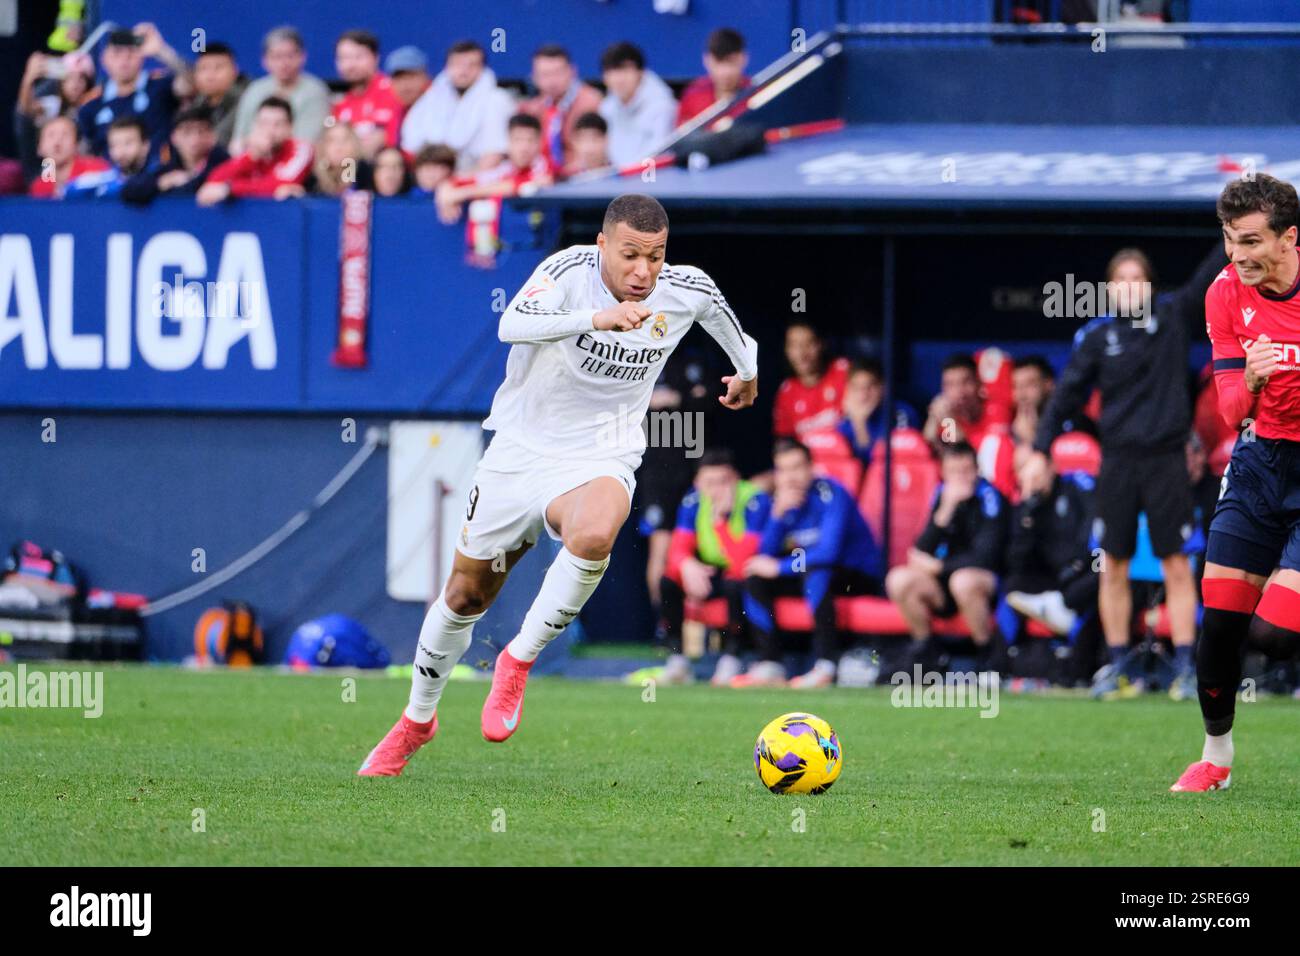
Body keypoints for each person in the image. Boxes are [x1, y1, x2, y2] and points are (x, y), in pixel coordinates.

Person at [357, 193, 759, 776]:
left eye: (655, 256)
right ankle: (417, 721)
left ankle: (517, 662)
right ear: (603, 246)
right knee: (466, 596)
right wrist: (596, 318)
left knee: (596, 533)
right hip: (520, 451)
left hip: (603, 451)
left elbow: (727, 322)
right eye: (630, 256)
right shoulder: (568, 271)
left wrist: (746, 373)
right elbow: (510, 323)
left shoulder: (685, 287)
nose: (644, 271)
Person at [1022, 243, 1226, 701]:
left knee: (1177, 562)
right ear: (1110, 290)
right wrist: (1040, 450)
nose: (1130, 288)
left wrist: (1231, 230)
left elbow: (1207, 275)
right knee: (1112, 562)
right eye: (1122, 280)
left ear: (1150, 286)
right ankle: (1118, 665)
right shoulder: (1097, 337)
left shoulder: (1173, 318)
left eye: (1138, 279)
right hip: (1117, 462)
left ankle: (1185, 666)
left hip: (1167, 460)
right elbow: (1066, 397)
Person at [1171, 173, 1300, 792]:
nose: (1238, 255)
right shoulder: (1225, 294)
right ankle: (1215, 758)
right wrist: (1249, 378)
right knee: (1221, 617)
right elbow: (1228, 411)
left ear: (1289, 238)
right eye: (1229, 239)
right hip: (1258, 463)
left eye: (1250, 241)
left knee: (1275, 634)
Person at [733, 439, 883, 689]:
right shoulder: (780, 502)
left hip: (855, 575)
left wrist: (778, 568)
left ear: (811, 467)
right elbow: (764, 555)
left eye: (796, 467)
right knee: (754, 576)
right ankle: (771, 663)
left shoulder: (831, 493)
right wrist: (777, 517)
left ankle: (826, 663)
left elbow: (828, 553)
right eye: (783, 470)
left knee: (816, 572)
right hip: (806, 572)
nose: (790, 477)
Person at [885, 441, 1009, 670]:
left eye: (966, 470)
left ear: (977, 470)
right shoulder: (942, 496)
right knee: (899, 579)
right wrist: (946, 509)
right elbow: (920, 550)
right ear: (943, 472)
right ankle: (928, 653)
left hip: (983, 584)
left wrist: (939, 568)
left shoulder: (992, 499)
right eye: (954, 471)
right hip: (944, 584)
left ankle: (988, 657)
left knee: (962, 581)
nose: (960, 478)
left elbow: (987, 556)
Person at [658, 449, 770, 686]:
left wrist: (721, 521)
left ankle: (732, 657)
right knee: (668, 580)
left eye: (724, 482)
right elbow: (677, 550)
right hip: (709, 570)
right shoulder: (693, 501)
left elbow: (742, 561)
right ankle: (677, 658)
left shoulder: (755, 500)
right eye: (709, 483)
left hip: (746, 572)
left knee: (735, 583)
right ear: (698, 483)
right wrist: (688, 565)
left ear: (736, 479)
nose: (717, 490)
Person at [1004, 450, 1099, 642]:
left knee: (1101, 570)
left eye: (1036, 474)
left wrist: (1077, 566)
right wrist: (1027, 515)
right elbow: (1016, 559)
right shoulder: (1026, 505)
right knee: (1012, 584)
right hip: (1053, 577)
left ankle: (1061, 608)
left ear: (1051, 467)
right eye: (1023, 473)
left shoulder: (1077, 484)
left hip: (1083, 568)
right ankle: (1005, 659)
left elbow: (1095, 527)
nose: (1032, 480)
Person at [77, 24, 193, 162]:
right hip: (111, 179)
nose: (125, 59)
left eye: (131, 52)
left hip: (161, 175)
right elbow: (86, 152)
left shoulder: (161, 86)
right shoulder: (91, 104)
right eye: (117, 53)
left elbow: (193, 83)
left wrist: (161, 50)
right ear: (104, 59)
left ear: (142, 57)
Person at [400, 39, 515, 171]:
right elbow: (411, 146)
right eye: (458, 64)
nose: (464, 71)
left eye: (471, 65)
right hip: (432, 175)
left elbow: (495, 154)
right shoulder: (429, 100)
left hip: (476, 177)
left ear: (482, 69)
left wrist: (462, 184)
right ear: (447, 67)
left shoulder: (497, 101)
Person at [922, 352, 1016, 499]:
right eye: (950, 385)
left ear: (978, 383)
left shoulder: (998, 409)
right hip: (962, 487)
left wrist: (949, 421)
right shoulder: (946, 418)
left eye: (965, 382)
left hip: (995, 485)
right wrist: (933, 420)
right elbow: (953, 454)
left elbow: (976, 456)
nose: (959, 392)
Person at [230, 26, 331, 149]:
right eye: (277, 56)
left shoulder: (315, 91)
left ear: (303, 56)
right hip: (254, 157)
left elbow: (307, 141)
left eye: (290, 56)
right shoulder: (254, 90)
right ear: (264, 60)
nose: (284, 63)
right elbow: (238, 140)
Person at [197, 97, 312, 204]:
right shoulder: (252, 154)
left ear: (290, 128)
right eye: (264, 123)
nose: (270, 130)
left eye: (278, 124)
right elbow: (213, 182)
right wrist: (252, 157)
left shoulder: (301, 149)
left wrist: (229, 189)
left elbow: (279, 185)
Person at [518, 44, 603, 173]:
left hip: (583, 178)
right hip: (541, 180)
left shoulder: (593, 103)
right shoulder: (530, 109)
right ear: (534, 78)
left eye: (557, 73)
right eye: (545, 74)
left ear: (573, 71)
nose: (552, 81)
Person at [16, 50, 98, 181]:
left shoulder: (95, 106)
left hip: (83, 166)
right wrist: (29, 78)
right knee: (47, 181)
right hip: (51, 166)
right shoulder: (53, 104)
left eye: (81, 79)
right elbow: (27, 109)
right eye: (69, 79)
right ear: (61, 83)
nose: (75, 85)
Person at [121, 105, 228, 203]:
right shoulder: (170, 166)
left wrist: (187, 181)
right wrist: (161, 183)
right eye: (187, 132)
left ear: (213, 135)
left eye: (202, 130)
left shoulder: (224, 162)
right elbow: (129, 190)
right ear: (174, 137)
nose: (195, 138)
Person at [598, 42, 678, 169]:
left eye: (625, 70)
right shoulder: (606, 108)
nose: (619, 79)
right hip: (615, 180)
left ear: (640, 72)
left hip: (653, 178)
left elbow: (659, 154)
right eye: (612, 71)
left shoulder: (663, 106)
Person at [330, 30, 403, 159]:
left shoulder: (391, 90)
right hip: (352, 169)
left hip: (386, 168)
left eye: (358, 57)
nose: (350, 65)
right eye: (343, 58)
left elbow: (377, 141)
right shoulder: (340, 103)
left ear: (376, 58)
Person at [772, 321, 850, 440]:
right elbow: (785, 442)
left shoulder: (843, 373)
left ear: (821, 344)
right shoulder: (786, 392)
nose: (801, 354)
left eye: (808, 344)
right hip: (809, 458)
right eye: (793, 345)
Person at [837, 357, 919, 465]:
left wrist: (860, 425)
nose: (863, 395)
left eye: (870, 387)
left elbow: (883, 462)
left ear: (883, 387)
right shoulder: (844, 422)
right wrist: (857, 421)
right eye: (856, 388)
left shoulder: (900, 413)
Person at [676, 28, 751, 127]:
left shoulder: (758, 94)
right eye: (718, 62)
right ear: (707, 61)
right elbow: (682, 138)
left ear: (744, 59)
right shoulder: (693, 95)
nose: (725, 72)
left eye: (732, 62)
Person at [64, 115, 152, 199]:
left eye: (128, 143)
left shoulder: (158, 174)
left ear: (145, 146)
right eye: (114, 145)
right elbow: (68, 190)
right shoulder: (104, 179)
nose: (121, 152)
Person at [28, 115, 109, 198]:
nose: (57, 142)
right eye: (51, 135)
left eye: (65, 135)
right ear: (39, 148)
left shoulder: (97, 171)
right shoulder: (39, 187)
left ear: (76, 145)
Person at [190, 42, 247, 147]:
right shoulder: (197, 103)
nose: (210, 75)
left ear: (235, 70)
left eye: (218, 68)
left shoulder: (247, 98)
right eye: (204, 68)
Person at [307, 121, 373, 196]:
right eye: (331, 141)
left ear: (355, 146)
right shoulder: (312, 177)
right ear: (322, 147)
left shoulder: (366, 173)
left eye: (345, 140)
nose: (338, 147)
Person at [383, 46, 432, 118]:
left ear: (425, 77)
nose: (404, 86)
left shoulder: (440, 107)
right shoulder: (394, 111)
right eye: (398, 78)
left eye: (411, 77)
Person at [566, 111, 610, 177]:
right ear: (575, 143)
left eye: (594, 139)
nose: (589, 149)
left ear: (605, 140)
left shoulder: (621, 179)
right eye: (583, 140)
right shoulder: (567, 180)